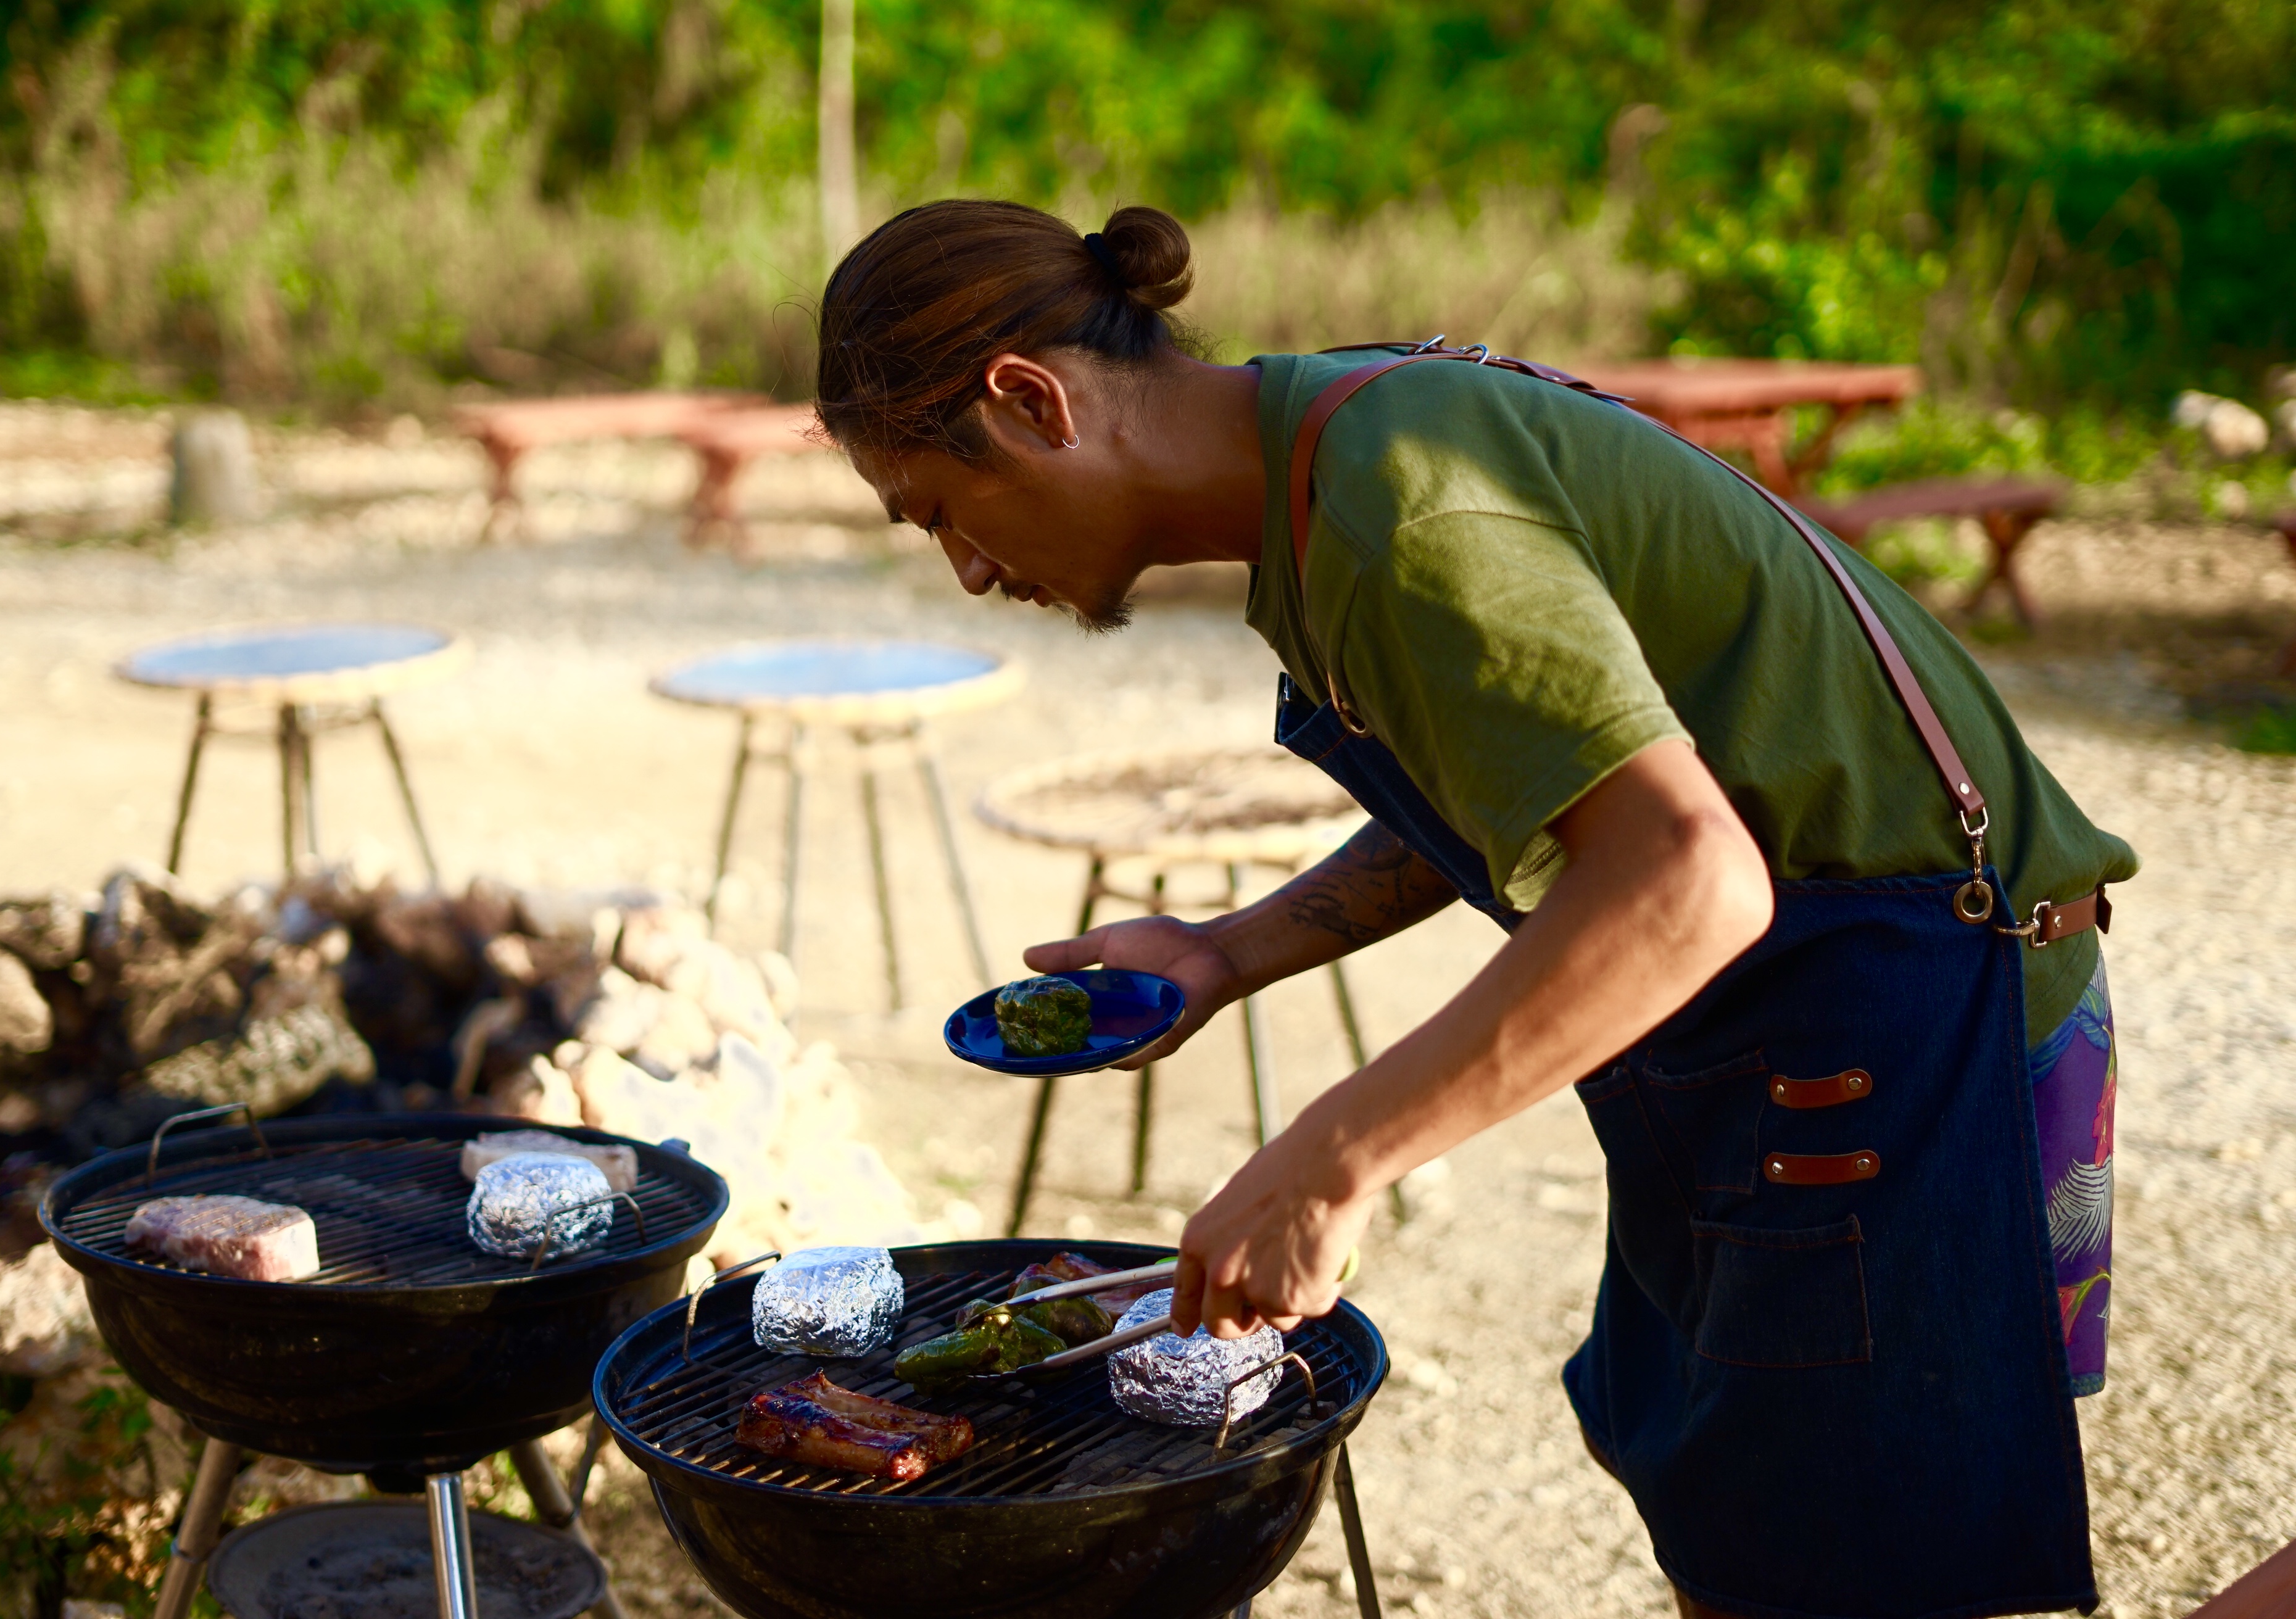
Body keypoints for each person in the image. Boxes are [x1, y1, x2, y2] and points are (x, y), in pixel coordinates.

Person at [814, 199, 2134, 1619]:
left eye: (941, 513)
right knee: (1742, 1526)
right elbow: (1538, 788)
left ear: (1031, 400)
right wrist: (1227, 953)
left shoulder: (1398, 497)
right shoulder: (1317, 467)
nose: (965, 568)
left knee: (1843, 1569)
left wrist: (1330, 1158)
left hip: (1915, 1023)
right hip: (1784, 1038)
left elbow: (1689, 876)